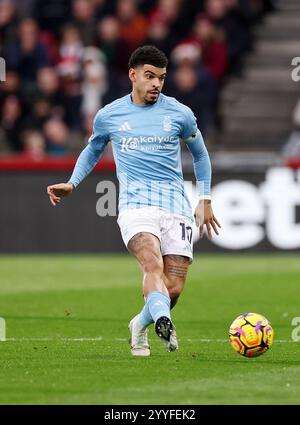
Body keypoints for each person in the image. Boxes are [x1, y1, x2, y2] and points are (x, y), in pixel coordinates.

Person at [47, 45, 221, 357]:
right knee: (150, 262)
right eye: (150, 76)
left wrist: (205, 198)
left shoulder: (179, 114)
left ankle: (141, 323)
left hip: (176, 207)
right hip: (135, 206)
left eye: (162, 78)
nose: (156, 83)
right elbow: (93, 149)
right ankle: (164, 321)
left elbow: (200, 154)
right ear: (133, 75)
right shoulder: (110, 115)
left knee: (175, 288)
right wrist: (73, 183)